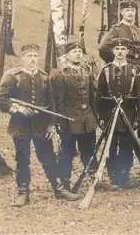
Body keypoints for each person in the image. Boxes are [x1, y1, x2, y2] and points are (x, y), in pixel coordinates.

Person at [0, 44, 80, 207]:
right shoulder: (12, 76)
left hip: (41, 126)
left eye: (34, 56)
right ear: (22, 58)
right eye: (28, 56)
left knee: (48, 158)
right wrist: (17, 108)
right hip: (20, 126)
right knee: (22, 159)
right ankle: (23, 192)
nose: (32, 59)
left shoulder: (44, 76)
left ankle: (58, 189)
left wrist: (51, 126)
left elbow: (51, 103)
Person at [96, 38, 140, 190]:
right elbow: (99, 95)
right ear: (112, 51)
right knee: (111, 145)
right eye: (117, 49)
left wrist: (138, 118)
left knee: (126, 145)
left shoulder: (133, 70)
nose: (120, 52)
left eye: (123, 49)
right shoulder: (106, 70)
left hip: (128, 115)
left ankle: (124, 175)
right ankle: (113, 175)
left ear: (127, 52)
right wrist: (102, 118)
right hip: (110, 114)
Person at [50, 40, 98, 191]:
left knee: (89, 149)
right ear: (66, 55)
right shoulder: (60, 74)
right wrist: (59, 121)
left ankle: (92, 177)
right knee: (67, 152)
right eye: (73, 52)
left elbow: (92, 98)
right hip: (69, 121)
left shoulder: (86, 72)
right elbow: (58, 101)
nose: (77, 54)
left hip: (87, 120)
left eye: (79, 52)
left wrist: (94, 117)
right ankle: (65, 181)